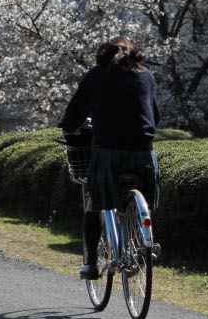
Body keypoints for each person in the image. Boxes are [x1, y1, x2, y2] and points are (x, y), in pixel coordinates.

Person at [60, 36, 160, 280]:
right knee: (141, 201)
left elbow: (73, 114)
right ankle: (140, 243)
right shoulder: (146, 75)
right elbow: (155, 115)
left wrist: (70, 126)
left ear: (103, 56)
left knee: (94, 202)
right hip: (143, 152)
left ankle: (91, 264)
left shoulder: (98, 75)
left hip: (110, 152)